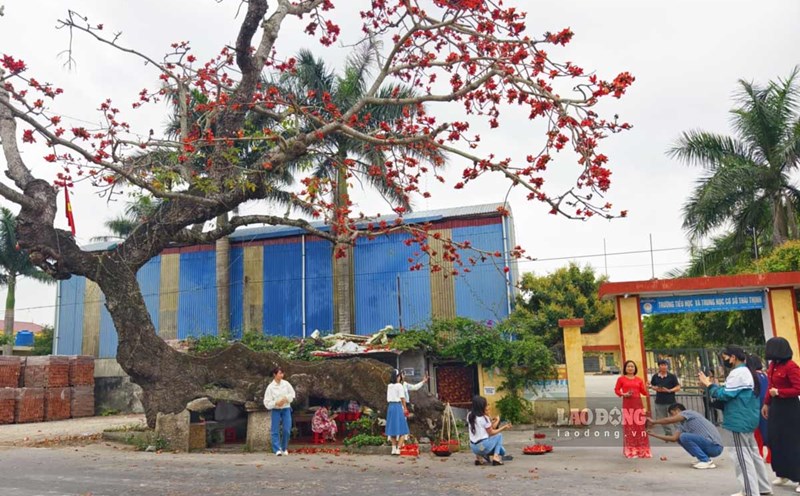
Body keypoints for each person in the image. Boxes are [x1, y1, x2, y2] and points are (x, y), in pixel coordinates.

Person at [699, 346, 771, 496]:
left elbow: (725, 395)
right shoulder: (748, 372)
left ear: (733, 357)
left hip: (738, 420)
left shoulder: (738, 373)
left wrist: (709, 385)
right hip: (748, 418)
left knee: (742, 458)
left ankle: (750, 492)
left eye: (725, 357)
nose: (724, 360)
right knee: (753, 455)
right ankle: (763, 488)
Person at [762, 337, 800, 492]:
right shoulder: (773, 366)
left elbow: (798, 388)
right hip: (776, 408)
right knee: (776, 441)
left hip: (789, 409)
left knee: (793, 443)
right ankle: (783, 473)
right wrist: (766, 403)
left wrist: (780, 392)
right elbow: (770, 386)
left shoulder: (791, 367)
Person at [646, 403, 723, 469]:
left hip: (715, 446)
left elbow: (669, 420)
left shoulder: (688, 413)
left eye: (672, 414)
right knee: (680, 437)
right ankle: (703, 457)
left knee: (684, 436)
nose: (673, 417)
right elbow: (674, 438)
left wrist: (654, 422)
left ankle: (706, 461)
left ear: (678, 410)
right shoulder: (682, 425)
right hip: (710, 447)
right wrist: (654, 434)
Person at [614, 360, 651, 458]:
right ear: (625, 368)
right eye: (628, 366)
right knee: (629, 428)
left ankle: (642, 450)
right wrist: (623, 394)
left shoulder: (639, 380)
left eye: (632, 366)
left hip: (638, 406)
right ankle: (631, 450)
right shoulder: (621, 379)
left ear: (635, 369)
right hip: (627, 406)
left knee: (640, 428)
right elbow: (616, 390)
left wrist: (647, 387)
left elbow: (644, 393)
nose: (630, 368)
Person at [467, 395, 512, 466]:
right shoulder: (484, 418)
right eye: (485, 405)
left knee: (501, 449)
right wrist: (504, 427)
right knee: (499, 437)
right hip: (484, 446)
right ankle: (496, 458)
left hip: (474, 448)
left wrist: (495, 420)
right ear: (481, 407)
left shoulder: (470, 415)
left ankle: (479, 457)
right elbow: (491, 432)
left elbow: (488, 427)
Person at [263, 366, 296, 456]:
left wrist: (286, 399)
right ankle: (276, 449)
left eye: (282, 373)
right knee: (275, 429)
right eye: (280, 373)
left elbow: (292, 394)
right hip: (276, 410)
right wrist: (276, 403)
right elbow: (266, 402)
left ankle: (284, 447)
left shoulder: (286, 384)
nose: (282, 375)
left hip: (286, 408)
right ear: (275, 374)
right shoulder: (270, 387)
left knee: (287, 429)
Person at [747, 355, 770, 462]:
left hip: (757, 407)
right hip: (767, 405)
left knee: (758, 434)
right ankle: (770, 456)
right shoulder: (765, 375)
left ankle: (759, 454)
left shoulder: (752, 376)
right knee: (768, 432)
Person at [649, 359, 681, 436]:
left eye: (665, 365)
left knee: (675, 419)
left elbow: (678, 387)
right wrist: (655, 388)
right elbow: (652, 385)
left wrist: (670, 390)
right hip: (659, 401)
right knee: (663, 419)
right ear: (659, 367)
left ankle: (679, 434)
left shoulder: (672, 376)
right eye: (662, 365)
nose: (664, 367)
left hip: (671, 401)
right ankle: (668, 434)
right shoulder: (655, 376)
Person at [385, 369, 410, 455]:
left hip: (390, 407)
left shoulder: (389, 386)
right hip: (398, 406)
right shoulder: (399, 386)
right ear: (397, 377)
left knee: (392, 428)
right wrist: (405, 408)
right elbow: (402, 398)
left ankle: (393, 448)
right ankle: (398, 448)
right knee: (403, 429)